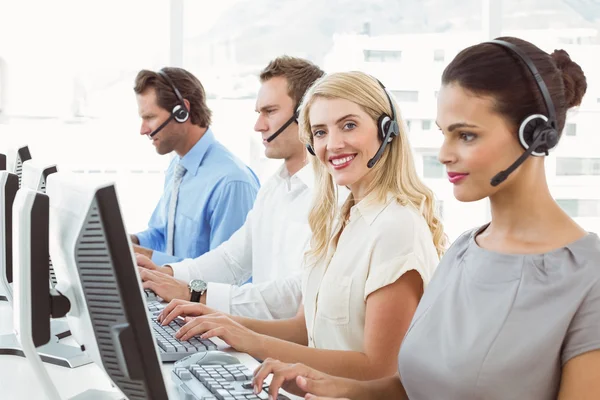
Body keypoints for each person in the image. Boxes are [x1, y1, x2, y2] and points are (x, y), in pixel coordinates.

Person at [251, 37, 600, 400]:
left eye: (466, 135)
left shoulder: (588, 278)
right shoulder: (464, 250)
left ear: (535, 135)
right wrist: (319, 383)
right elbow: (410, 388)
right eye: (444, 134)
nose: (445, 154)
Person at [156, 71, 444, 382]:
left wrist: (252, 341)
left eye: (349, 125)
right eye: (320, 132)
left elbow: (379, 369)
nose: (332, 144)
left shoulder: (396, 227)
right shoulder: (337, 218)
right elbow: (303, 328)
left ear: (385, 130)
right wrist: (222, 322)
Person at [136, 57, 327, 319]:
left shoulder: (330, 196)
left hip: (281, 346)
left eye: (269, 112)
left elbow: (294, 294)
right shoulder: (274, 188)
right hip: (254, 340)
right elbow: (231, 260)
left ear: (306, 115)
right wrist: (166, 273)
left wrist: (192, 294)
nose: (258, 125)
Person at [130, 67, 260, 266]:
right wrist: (131, 244)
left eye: (150, 117)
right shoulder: (177, 166)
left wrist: (145, 257)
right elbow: (163, 234)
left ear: (181, 112)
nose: (143, 130)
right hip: (168, 294)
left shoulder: (231, 182)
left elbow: (227, 275)